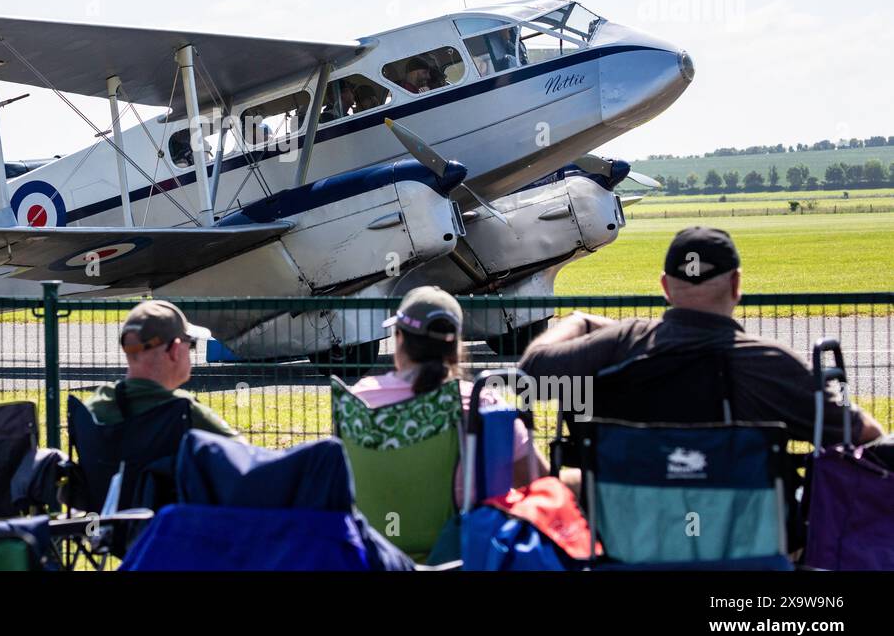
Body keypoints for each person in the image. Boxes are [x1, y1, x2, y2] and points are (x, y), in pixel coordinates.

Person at [519, 227, 884, 446]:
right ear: (737, 284)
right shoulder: (771, 364)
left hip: (627, 541)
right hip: (747, 549)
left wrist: (579, 321)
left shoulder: (620, 345)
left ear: (665, 287)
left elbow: (531, 370)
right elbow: (863, 434)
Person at [350, 286, 548, 504]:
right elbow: (538, 481)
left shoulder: (360, 398)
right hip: (464, 535)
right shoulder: (481, 404)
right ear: (456, 348)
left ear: (399, 339)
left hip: (372, 534)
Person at [88, 300, 238, 437]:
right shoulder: (185, 411)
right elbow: (244, 457)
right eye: (191, 344)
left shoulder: (94, 408)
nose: (191, 351)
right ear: (174, 350)